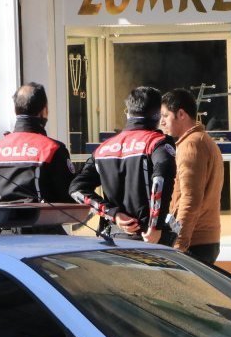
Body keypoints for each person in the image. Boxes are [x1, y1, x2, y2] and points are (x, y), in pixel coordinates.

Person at [71, 86, 177, 244]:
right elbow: (160, 180)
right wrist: (155, 226)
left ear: (128, 113)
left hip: (114, 239)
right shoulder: (157, 143)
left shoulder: (103, 149)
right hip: (149, 239)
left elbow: (76, 189)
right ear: (157, 115)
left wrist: (113, 213)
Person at [0, 83, 76, 220]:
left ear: (15, 111)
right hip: (44, 227)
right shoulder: (52, 149)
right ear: (44, 111)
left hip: (5, 228)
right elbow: (68, 197)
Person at [160, 89, 224, 264]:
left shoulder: (191, 145)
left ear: (181, 114)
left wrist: (179, 243)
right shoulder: (200, 140)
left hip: (194, 242)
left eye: (165, 116)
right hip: (201, 240)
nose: (161, 122)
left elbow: (190, 198)